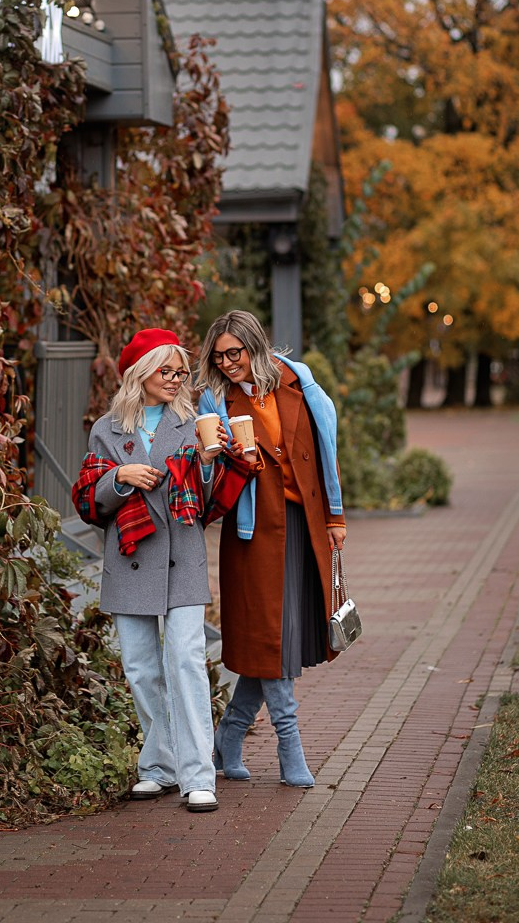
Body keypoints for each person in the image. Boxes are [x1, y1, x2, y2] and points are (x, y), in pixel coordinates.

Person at [71, 328, 228, 813]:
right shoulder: (107, 430)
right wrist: (120, 478)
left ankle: (198, 774)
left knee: (184, 661)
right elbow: (89, 501)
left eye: (182, 371)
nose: (178, 379)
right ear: (141, 372)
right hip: (130, 557)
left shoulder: (194, 423)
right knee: (141, 669)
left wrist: (205, 462)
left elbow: (207, 500)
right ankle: (159, 766)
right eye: (168, 371)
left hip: (182, 554)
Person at [198, 310, 346, 788]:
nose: (226, 364)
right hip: (253, 530)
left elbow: (325, 442)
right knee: (271, 637)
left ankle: (229, 736)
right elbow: (207, 475)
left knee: (280, 641)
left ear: (254, 347)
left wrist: (335, 515)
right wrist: (224, 455)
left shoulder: (295, 379)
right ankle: (289, 747)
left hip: (302, 520)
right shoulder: (215, 398)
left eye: (234, 353)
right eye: (218, 356)